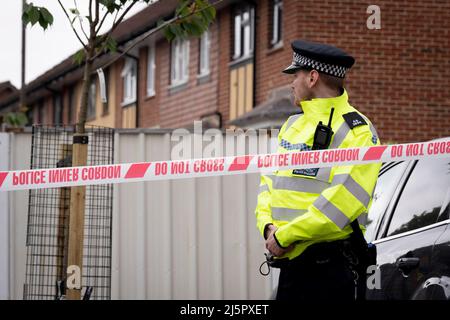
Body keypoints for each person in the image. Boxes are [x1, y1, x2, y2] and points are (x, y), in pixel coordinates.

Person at [255, 40, 382, 300]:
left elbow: (345, 201)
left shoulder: (357, 130)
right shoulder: (291, 125)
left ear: (312, 77)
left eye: (296, 74)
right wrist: (268, 227)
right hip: (290, 265)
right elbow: (269, 182)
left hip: (329, 268)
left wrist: (285, 235)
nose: (292, 83)